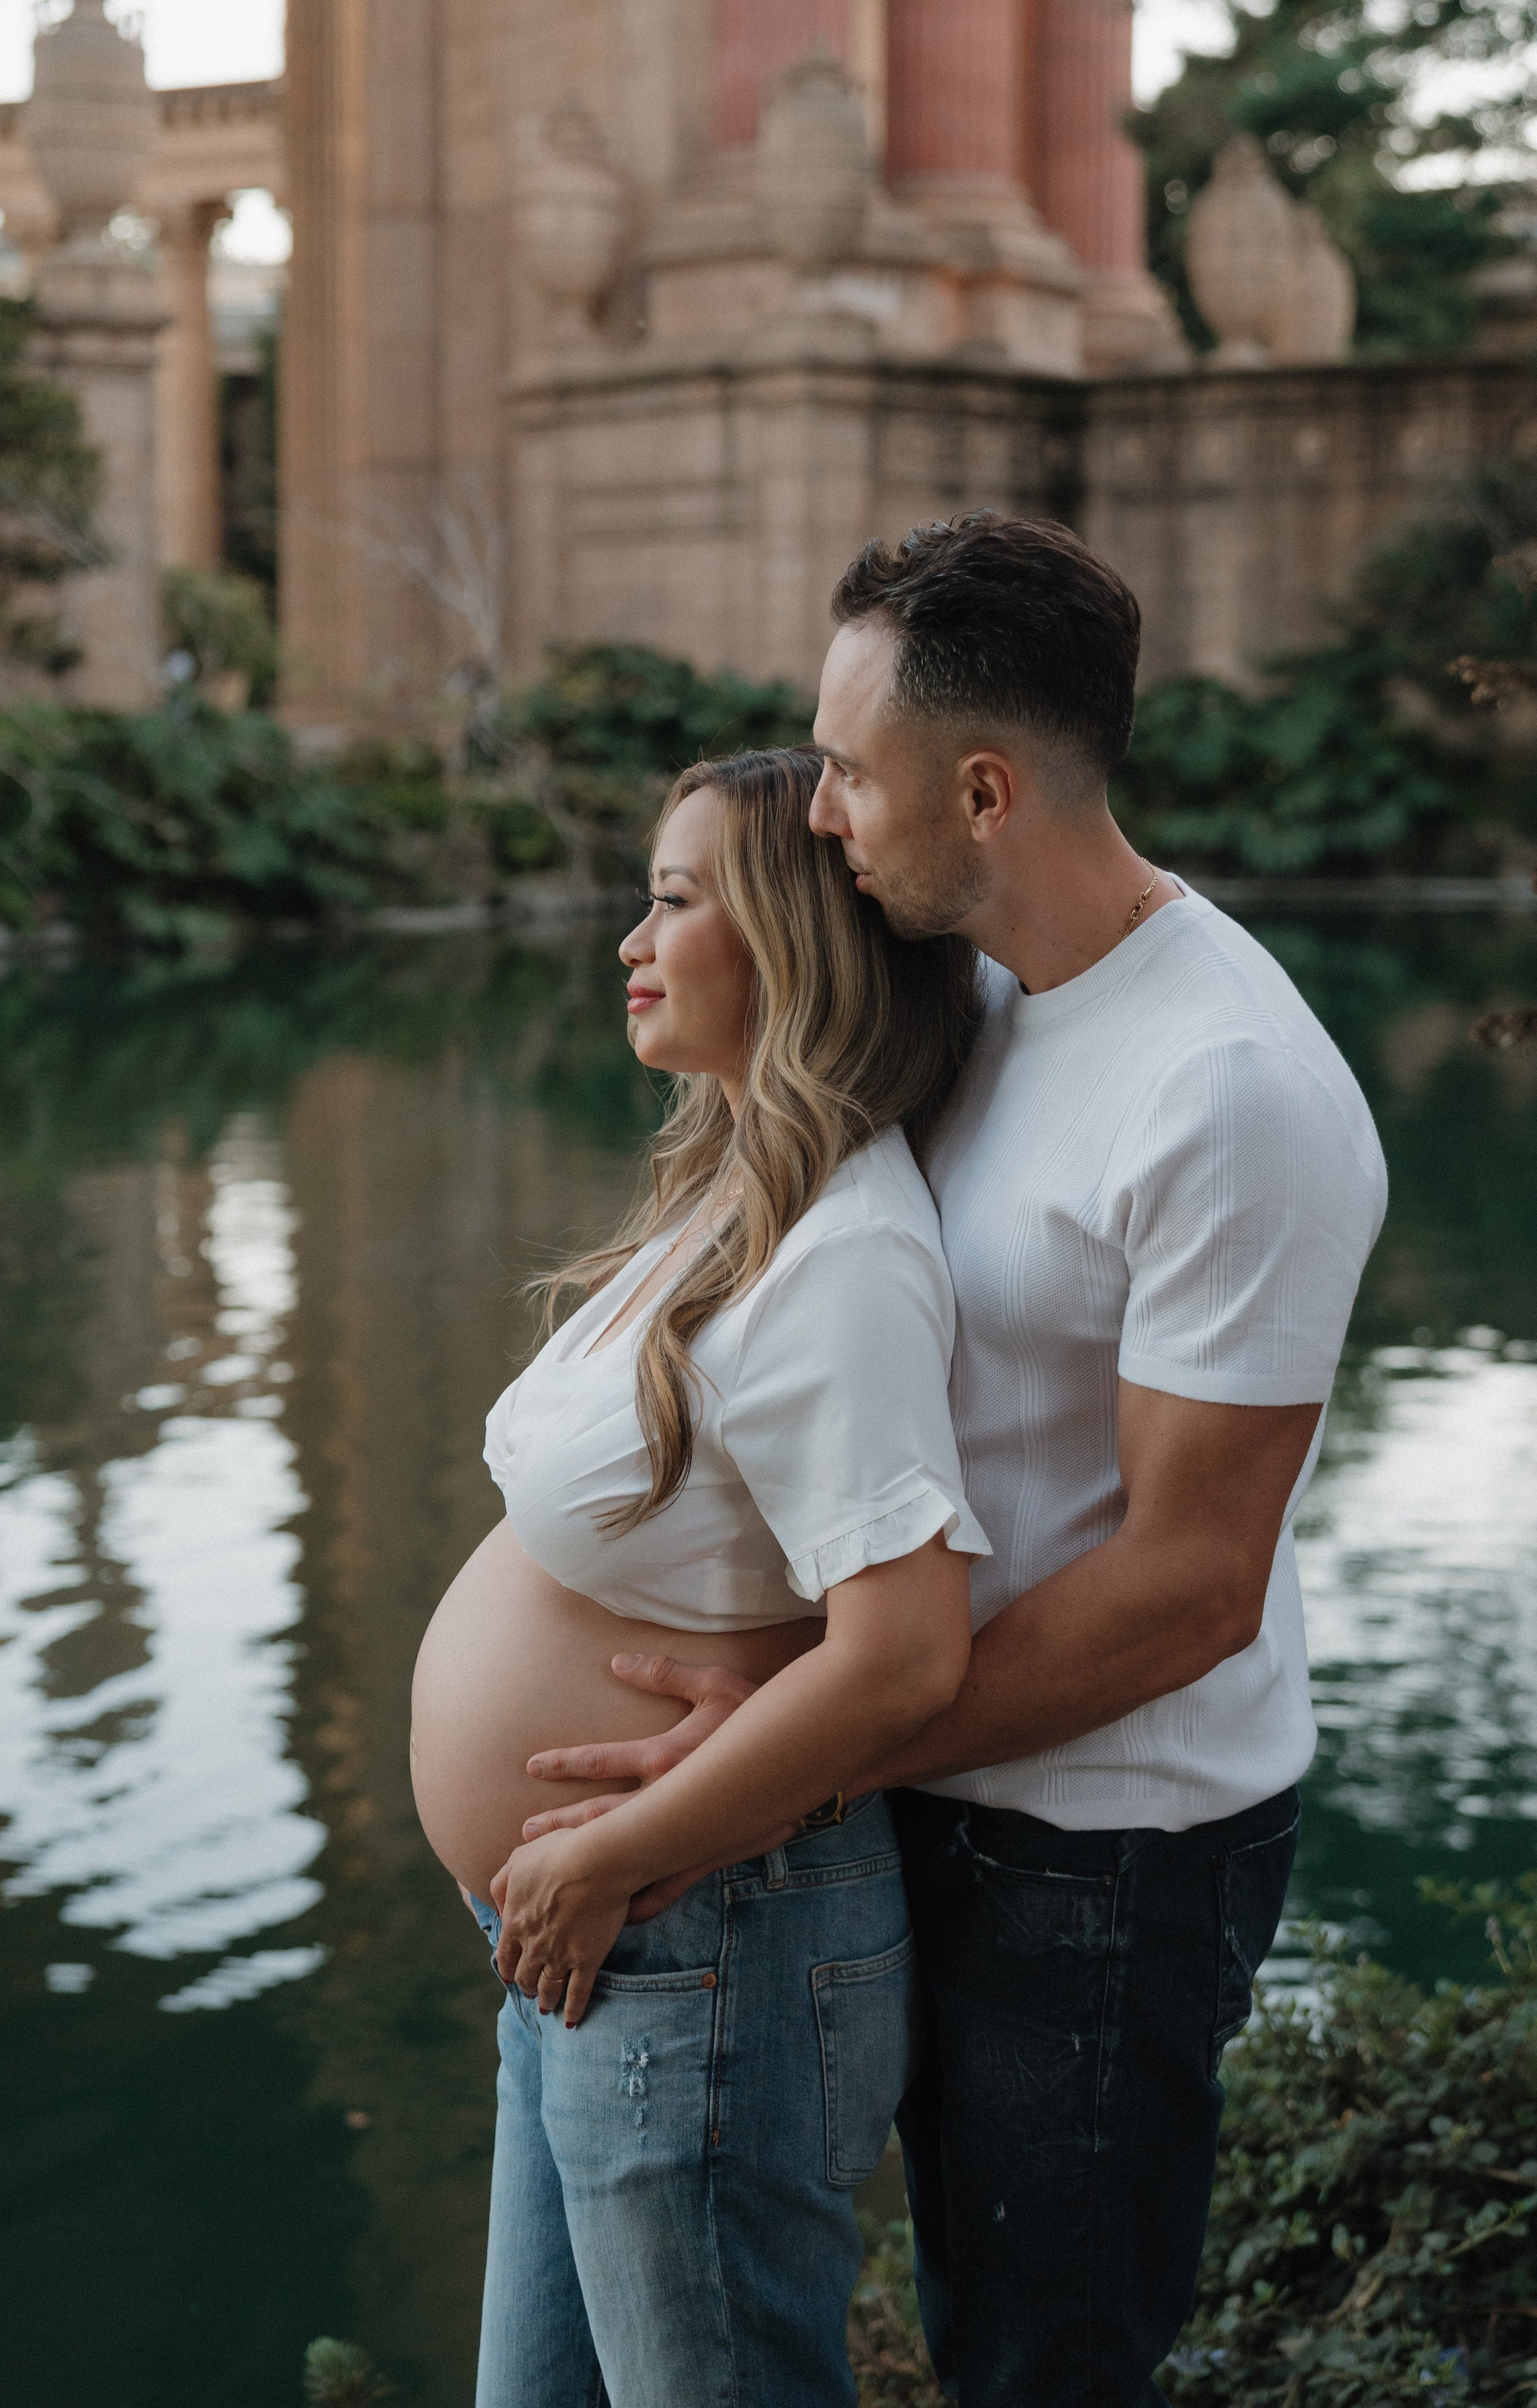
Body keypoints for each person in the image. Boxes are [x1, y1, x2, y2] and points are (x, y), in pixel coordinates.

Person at [521, 515, 1390, 2406]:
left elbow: (1188, 1586)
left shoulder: (1229, 1088)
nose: (820, 815)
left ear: (981, 789)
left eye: (845, 773)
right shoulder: (982, 994)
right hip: (913, 1771)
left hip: (1100, 1859)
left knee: (1041, 2363)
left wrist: (772, 1757)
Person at [410, 744, 990, 2408]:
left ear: (794, 942)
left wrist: (620, 1861)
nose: (628, 939)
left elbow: (903, 1653)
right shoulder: (745, 1184)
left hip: (696, 1937)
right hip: (594, 1930)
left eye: (672, 900)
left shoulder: (847, 1256)